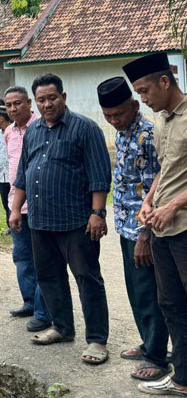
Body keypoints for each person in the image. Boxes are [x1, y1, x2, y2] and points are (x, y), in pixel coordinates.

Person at [9, 73, 111, 365]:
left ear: (63, 97)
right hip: (40, 221)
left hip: (77, 221)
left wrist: (97, 213)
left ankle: (97, 340)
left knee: (87, 279)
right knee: (50, 278)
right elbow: (23, 175)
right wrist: (16, 209)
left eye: (52, 97)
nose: (47, 103)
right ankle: (62, 327)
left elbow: (99, 175)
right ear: (36, 102)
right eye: (41, 99)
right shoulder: (34, 131)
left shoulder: (85, 128)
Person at [122, 52, 187, 396]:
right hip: (162, 228)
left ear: (165, 81)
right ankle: (182, 378)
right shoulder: (161, 120)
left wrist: (174, 204)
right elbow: (165, 167)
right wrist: (149, 202)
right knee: (171, 303)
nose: (142, 99)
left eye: (144, 90)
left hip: (184, 228)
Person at [96, 76, 169, 382]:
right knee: (134, 291)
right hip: (126, 227)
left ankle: (157, 356)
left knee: (149, 293)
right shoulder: (125, 133)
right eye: (108, 116)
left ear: (135, 105)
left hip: (143, 230)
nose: (114, 120)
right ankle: (147, 342)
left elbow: (154, 188)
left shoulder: (147, 135)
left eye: (119, 114)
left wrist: (144, 235)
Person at [3, 86, 51, 333]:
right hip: (16, 205)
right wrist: (13, 206)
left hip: (40, 206)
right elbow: (13, 170)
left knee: (43, 260)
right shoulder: (9, 131)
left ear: (29, 103)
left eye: (17, 103)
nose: (13, 108)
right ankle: (30, 303)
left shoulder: (42, 127)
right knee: (21, 257)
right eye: (9, 105)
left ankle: (45, 312)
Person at [0, 105, 12, 229]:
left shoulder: (14, 132)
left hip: (13, 174)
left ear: (1, 119)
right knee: (5, 203)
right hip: (1, 175)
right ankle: (9, 225)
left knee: (14, 202)